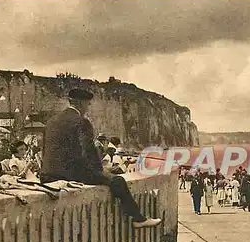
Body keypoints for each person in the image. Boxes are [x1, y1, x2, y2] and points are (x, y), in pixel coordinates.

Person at [40, 88, 161, 229]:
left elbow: (45, 151)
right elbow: (89, 152)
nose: (88, 107)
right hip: (69, 173)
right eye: (88, 104)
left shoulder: (51, 122)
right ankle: (138, 218)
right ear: (81, 103)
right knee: (118, 180)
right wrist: (101, 173)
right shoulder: (82, 122)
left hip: (48, 175)